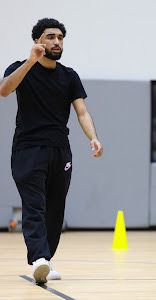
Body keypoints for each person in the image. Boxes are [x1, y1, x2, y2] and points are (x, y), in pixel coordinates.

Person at [0, 18, 103, 284]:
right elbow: (4, 90)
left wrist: (93, 137)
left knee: (55, 210)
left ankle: (45, 257)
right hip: (28, 149)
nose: (56, 42)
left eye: (60, 37)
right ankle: (40, 259)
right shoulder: (20, 68)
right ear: (38, 41)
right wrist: (30, 61)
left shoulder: (69, 76)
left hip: (60, 150)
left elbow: (81, 111)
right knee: (34, 205)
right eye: (50, 37)